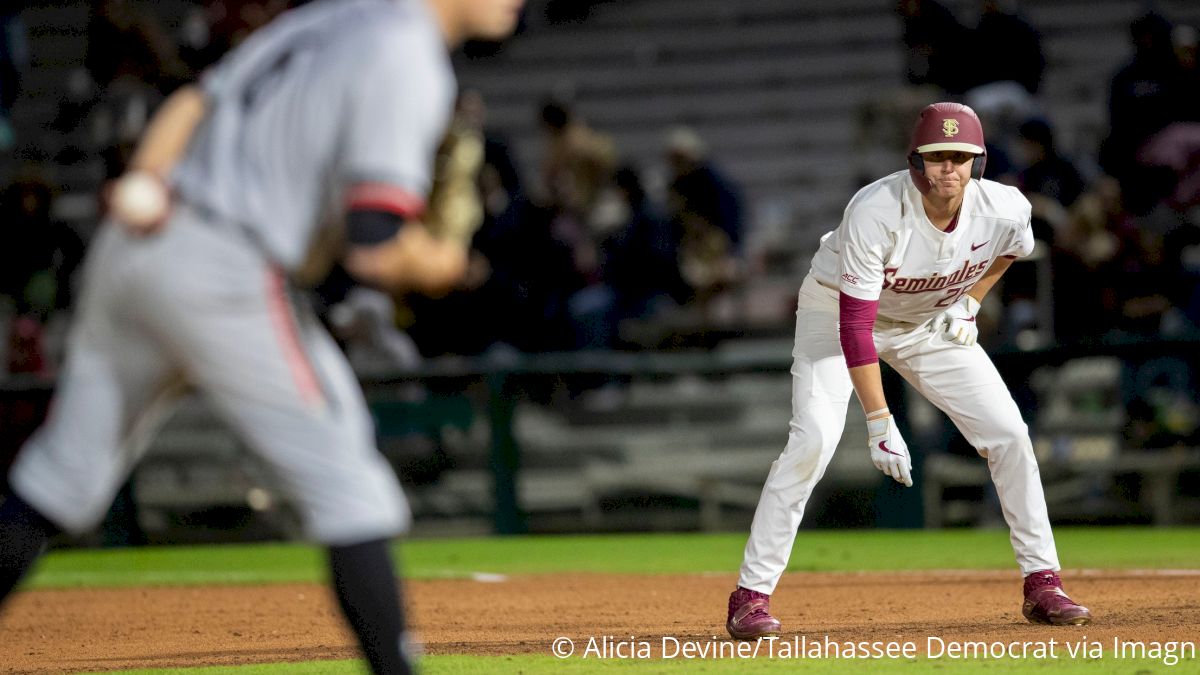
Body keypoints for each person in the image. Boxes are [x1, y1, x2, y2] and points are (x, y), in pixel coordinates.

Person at [0, 1, 524, 674]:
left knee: (56, 480)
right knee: (350, 486)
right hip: (227, 266)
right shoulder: (408, 55)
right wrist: (452, 265)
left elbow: (193, 101)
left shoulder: (330, 18)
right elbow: (375, 246)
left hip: (138, 243)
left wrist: (145, 178)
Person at [725, 102, 1092, 640]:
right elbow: (856, 326)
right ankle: (749, 597)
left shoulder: (1005, 207)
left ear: (978, 162)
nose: (949, 168)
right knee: (813, 441)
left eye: (960, 157)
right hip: (837, 313)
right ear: (916, 162)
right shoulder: (877, 209)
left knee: (1010, 434)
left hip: (927, 323)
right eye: (937, 156)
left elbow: (1013, 250)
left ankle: (1043, 583)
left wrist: (969, 302)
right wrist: (879, 419)